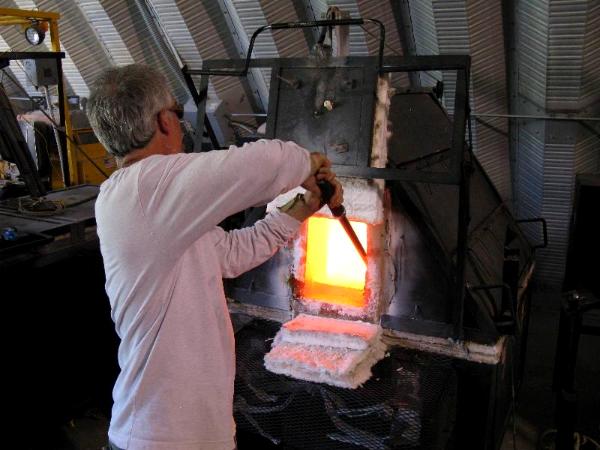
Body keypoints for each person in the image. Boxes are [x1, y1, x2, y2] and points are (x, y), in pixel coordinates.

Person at [87, 63, 342, 450]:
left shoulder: (159, 211)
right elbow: (264, 162)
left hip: (190, 433)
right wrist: (309, 162)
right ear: (163, 121)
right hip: (161, 436)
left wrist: (300, 209)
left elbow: (231, 253)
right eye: (176, 111)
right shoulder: (144, 189)